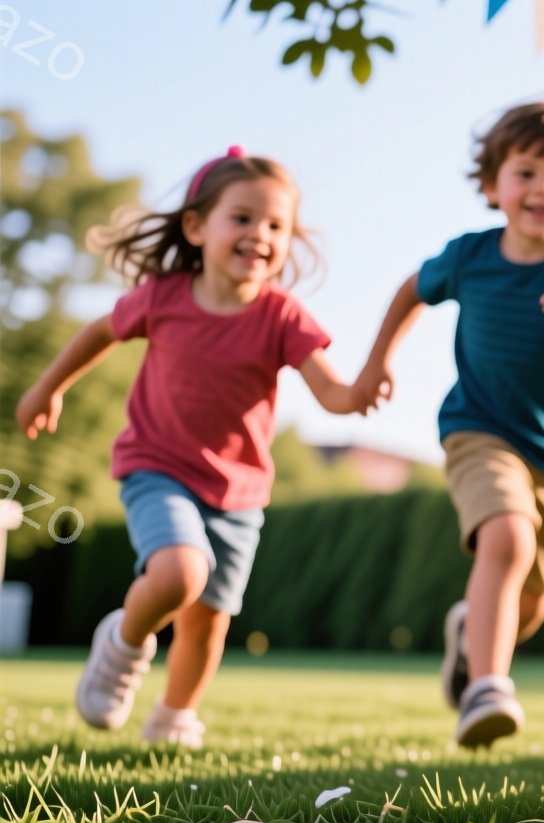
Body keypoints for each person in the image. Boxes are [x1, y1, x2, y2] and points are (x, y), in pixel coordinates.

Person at [15, 147, 367, 748]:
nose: (261, 234)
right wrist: (49, 389)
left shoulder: (283, 316)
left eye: (277, 226)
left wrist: (359, 392)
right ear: (198, 226)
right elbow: (101, 331)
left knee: (208, 622)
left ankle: (174, 718)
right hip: (157, 467)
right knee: (182, 573)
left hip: (239, 492)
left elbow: (330, 390)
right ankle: (124, 643)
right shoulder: (164, 298)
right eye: (244, 218)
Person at [354, 101, 544, 748]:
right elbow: (411, 289)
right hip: (478, 429)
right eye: (526, 173)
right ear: (493, 186)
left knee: (536, 603)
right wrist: (378, 362)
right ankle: (487, 687)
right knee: (508, 539)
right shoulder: (470, 257)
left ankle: (471, 636)